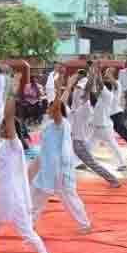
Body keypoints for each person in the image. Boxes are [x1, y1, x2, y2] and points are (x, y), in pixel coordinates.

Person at [0, 72, 55, 253]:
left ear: (11, 130)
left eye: (3, 127)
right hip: (3, 196)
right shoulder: (2, 145)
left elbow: (8, 116)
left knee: (27, 233)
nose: (0, 128)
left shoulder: (14, 144)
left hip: (14, 197)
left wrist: (13, 89)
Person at [32, 73, 92, 234]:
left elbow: (59, 106)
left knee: (69, 198)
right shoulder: (50, 124)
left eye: (50, 107)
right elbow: (44, 151)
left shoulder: (62, 124)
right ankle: (30, 224)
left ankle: (85, 224)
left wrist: (63, 88)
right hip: (48, 169)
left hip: (60, 170)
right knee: (37, 195)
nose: (47, 108)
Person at [69, 68, 122, 187]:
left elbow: (88, 90)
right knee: (79, 159)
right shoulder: (83, 105)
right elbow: (87, 91)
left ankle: (113, 179)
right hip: (83, 136)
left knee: (92, 162)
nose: (77, 91)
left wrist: (94, 75)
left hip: (83, 138)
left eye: (79, 90)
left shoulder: (85, 107)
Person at [89, 68, 127, 171]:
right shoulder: (102, 97)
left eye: (101, 89)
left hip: (104, 127)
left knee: (113, 145)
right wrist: (93, 74)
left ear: (104, 89)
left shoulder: (108, 95)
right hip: (98, 127)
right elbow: (96, 87)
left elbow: (100, 84)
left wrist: (96, 72)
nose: (98, 90)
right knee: (90, 145)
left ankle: (123, 163)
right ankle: (82, 161)